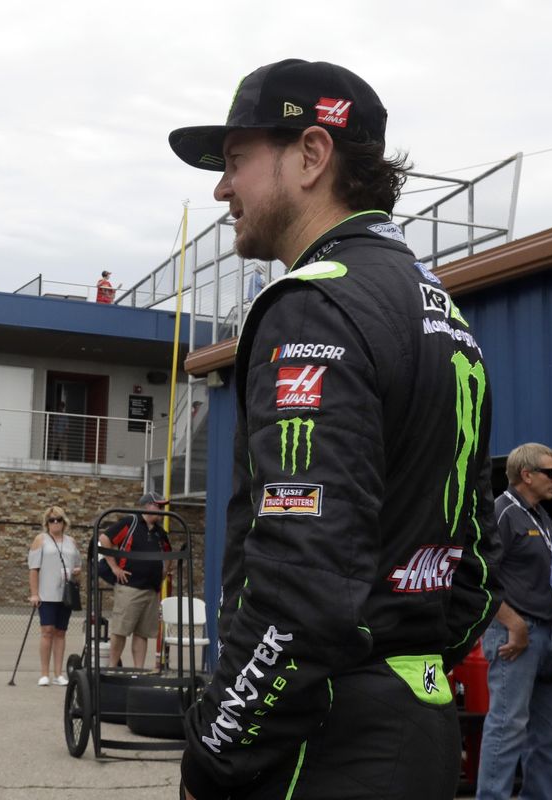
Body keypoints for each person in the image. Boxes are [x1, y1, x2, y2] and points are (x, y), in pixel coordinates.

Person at [169, 59, 500, 800]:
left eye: (235, 161)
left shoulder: (314, 305)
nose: (222, 188)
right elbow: (475, 566)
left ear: (312, 156)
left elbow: (303, 584)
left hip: (320, 742)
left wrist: (216, 750)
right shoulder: (441, 309)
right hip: (419, 724)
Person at [477, 442, 552, 800]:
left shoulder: (541, 516)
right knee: (507, 727)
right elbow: (477, 575)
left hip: (550, 636)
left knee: (548, 734)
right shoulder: (501, 512)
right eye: (550, 472)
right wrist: (514, 624)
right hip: (517, 636)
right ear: (526, 474)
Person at [99, 491, 172, 670]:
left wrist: (164, 572)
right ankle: (112, 667)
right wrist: (115, 567)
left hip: (151, 589)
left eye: (162, 506)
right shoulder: (130, 523)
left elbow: (169, 552)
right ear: (147, 506)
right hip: (130, 587)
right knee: (120, 630)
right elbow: (104, 539)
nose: (161, 510)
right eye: (158, 506)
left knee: (142, 633)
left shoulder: (159, 533)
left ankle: (138, 670)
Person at [27, 505, 82, 686]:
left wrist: (77, 571)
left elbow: (78, 565)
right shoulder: (40, 540)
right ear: (47, 523)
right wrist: (34, 594)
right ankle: (44, 673)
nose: (55, 523)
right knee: (47, 631)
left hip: (65, 593)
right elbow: (33, 569)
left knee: (61, 632)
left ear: (64, 522)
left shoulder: (71, 542)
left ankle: (59, 673)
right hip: (47, 593)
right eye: (52, 520)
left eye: (58, 519)